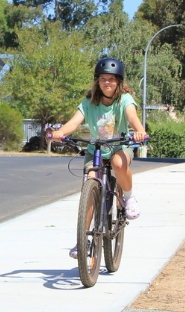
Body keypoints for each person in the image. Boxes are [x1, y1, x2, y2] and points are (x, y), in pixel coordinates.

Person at [51, 57, 146, 259]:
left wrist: (139, 131)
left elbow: (132, 117)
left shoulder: (125, 100)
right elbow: (74, 122)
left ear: (119, 82)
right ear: (97, 81)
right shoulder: (89, 102)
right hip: (95, 150)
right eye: (103, 79)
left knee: (118, 163)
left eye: (112, 80)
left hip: (119, 147)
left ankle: (128, 198)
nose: (107, 83)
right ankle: (82, 240)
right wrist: (60, 132)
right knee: (91, 182)